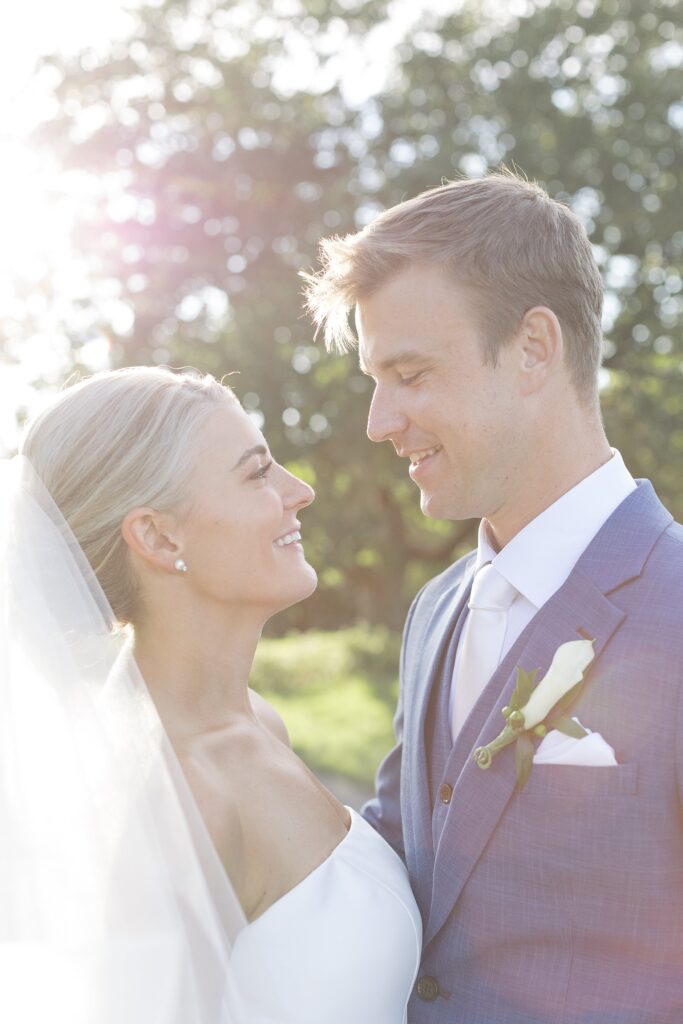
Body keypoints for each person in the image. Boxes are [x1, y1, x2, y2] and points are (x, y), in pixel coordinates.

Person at [303, 171, 683, 1023]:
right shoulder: (433, 612)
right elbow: (405, 866)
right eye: (375, 377)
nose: (377, 420)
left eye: (409, 373)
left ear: (533, 349)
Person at [0, 366, 422, 1024]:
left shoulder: (256, 721)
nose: (299, 491)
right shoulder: (180, 797)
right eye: (257, 473)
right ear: (159, 537)